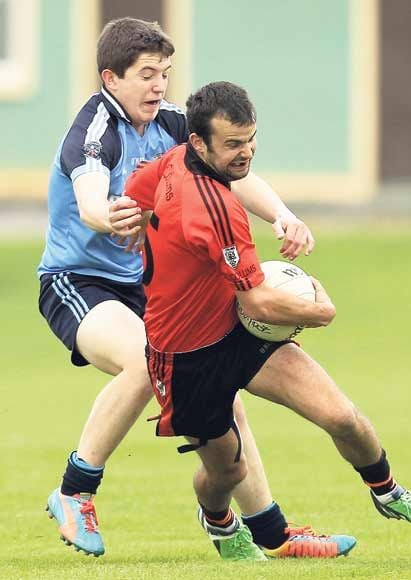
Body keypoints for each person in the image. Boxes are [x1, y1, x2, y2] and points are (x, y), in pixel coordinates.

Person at [38, 17, 348, 560]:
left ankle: (270, 536)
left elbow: (233, 171)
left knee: (220, 386)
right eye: (147, 74)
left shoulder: (176, 123)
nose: (160, 85)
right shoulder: (94, 131)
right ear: (111, 78)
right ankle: (73, 490)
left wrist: (282, 216)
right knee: (144, 359)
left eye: (165, 73)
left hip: (149, 287)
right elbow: (88, 201)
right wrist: (114, 218)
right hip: (79, 282)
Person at [122, 80, 411, 561]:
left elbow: (140, 190)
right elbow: (260, 302)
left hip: (236, 330)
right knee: (227, 475)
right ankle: (217, 519)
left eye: (251, 139)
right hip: (185, 360)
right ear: (199, 142)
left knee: (342, 416)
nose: (246, 153)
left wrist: (138, 215)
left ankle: (389, 493)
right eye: (233, 145)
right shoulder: (213, 210)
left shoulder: (176, 161)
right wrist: (319, 311)